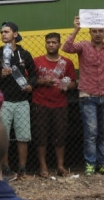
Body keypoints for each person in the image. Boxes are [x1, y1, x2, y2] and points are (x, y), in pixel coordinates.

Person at [63, 15, 104, 175]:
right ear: (90, 32)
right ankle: (90, 164)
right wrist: (76, 29)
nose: (97, 34)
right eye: (94, 31)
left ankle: (102, 163)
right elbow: (66, 47)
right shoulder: (83, 46)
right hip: (88, 95)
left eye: (100, 31)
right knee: (91, 132)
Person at [0, 21, 37, 179]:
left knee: (23, 137)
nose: (3, 34)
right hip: (3, 102)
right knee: (3, 137)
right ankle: (6, 169)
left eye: (6, 32)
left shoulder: (24, 54)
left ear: (15, 34)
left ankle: (22, 170)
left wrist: (30, 86)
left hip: (21, 101)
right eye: (1, 32)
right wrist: (1, 75)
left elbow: (34, 74)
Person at [31, 32, 77, 177]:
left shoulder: (67, 62)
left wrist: (66, 86)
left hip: (60, 103)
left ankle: (60, 166)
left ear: (59, 44)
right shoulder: (36, 61)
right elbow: (30, 81)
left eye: (54, 42)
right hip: (40, 102)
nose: (51, 45)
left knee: (60, 136)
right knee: (41, 135)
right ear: (45, 44)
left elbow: (74, 83)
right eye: (48, 42)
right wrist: (43, 82)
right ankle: (43, 167)